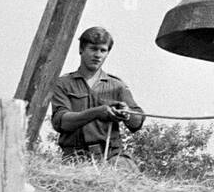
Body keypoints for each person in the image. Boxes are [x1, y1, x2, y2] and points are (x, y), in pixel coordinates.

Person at [49, 26, 145, 168]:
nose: (98, 55)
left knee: (131, 176)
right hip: (76, 160)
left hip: (111, 157)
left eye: (103, 50)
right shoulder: (63, 84)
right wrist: (97, 112)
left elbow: (137, 123)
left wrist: (127, 113)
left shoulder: (117, 86)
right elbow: (61, 122)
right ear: (81, 49)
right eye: (93, 49)